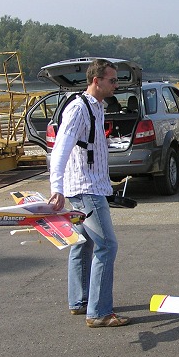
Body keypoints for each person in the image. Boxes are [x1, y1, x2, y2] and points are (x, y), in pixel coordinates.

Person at [48, 58, 131, 327]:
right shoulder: (78, 109)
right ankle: (99, 312)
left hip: (91, 187)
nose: (116, 85)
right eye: (112, 80)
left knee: (82, 244)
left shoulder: (97, 107)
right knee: (107, 246)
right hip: (85, 191)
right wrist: (56, 188)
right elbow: (60, 149)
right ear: (97, 81)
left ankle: (79, 301)